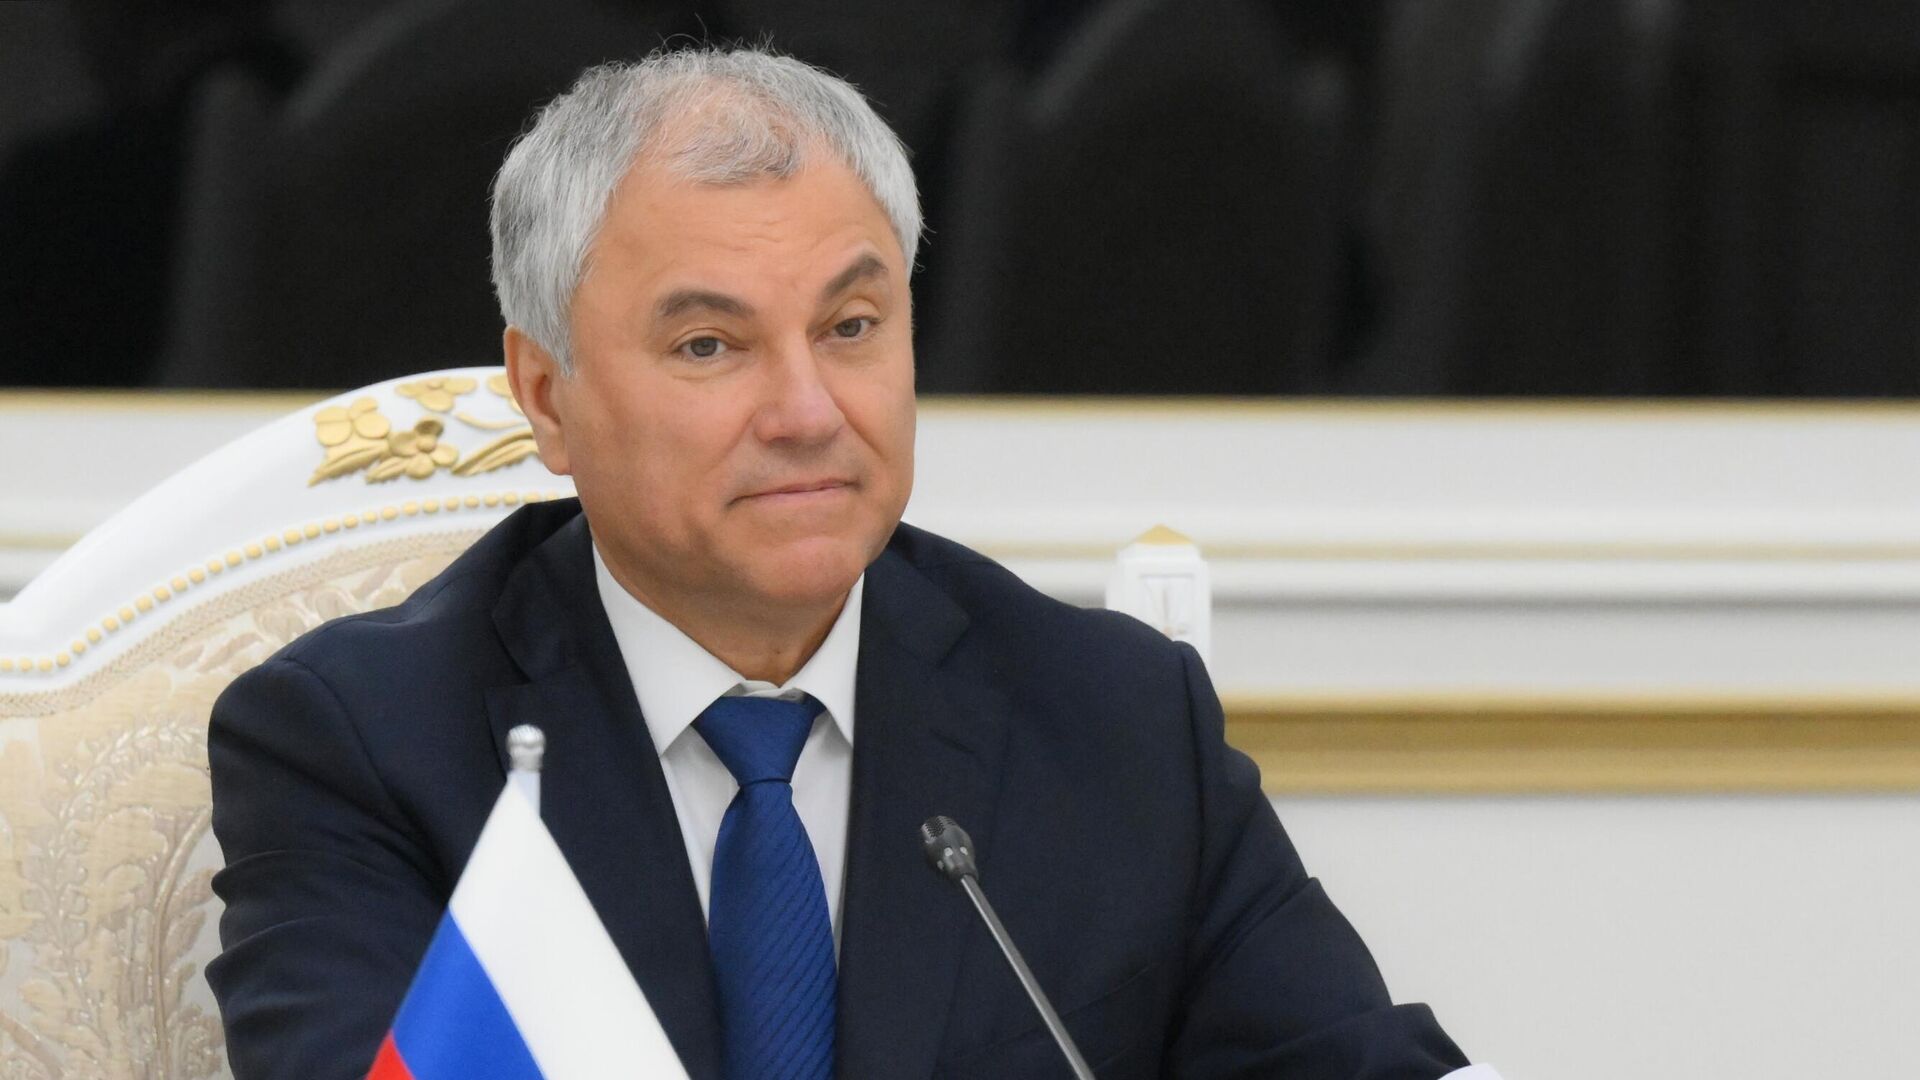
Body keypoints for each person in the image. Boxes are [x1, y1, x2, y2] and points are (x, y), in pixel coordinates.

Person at [207, 45, 1483, 1079]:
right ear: (548, 395)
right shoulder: (361, 746)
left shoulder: (1118, 718)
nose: (809, 410)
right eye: (710, 346)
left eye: (853, 325)